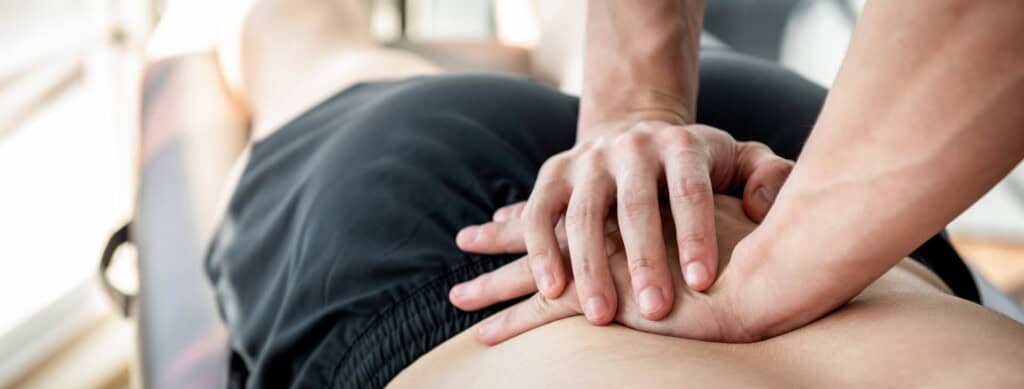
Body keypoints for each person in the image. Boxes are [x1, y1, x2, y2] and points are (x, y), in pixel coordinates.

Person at [153, 1, 1024, 388]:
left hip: (810, 190)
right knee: (310, 50)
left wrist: (638, 110)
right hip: (805, 213)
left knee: (304, 39)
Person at [458, 0, 1024, 341]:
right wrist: (637, 112)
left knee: (546, 31)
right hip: (828, 172)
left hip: (828, 172)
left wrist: (769, 275)